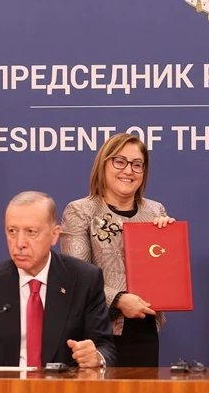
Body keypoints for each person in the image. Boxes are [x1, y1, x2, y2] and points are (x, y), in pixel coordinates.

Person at [0, 191, 115, 368]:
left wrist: (95, 356)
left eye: (31, 232)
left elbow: (105, 348)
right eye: (12, 231)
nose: (20, 243)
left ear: (54, 235)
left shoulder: (84, 280)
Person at [60, 133, 174, 367]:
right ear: (103, 165)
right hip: (95, 333)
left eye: (137, 165)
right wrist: (119, 299)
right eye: (119, 161)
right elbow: (75, 278)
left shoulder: (156, 211)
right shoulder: (80, 211)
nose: (128, 171)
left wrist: (168, 239)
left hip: (144, 330)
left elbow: (166, 272)